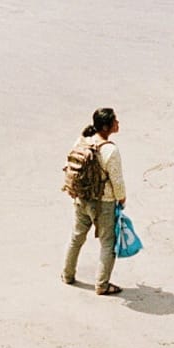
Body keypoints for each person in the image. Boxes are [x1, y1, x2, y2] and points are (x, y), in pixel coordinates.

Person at [62, 107, 126, 296]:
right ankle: (102, 284)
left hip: (81, 198)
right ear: (106, 127)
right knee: (108, 243)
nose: (118, 123)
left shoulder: (83, 141)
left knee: (76, 237)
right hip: (103, 203)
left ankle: (67, 275)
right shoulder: (110, 150)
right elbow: (117, 180)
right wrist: (122, 199)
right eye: (115, 121)